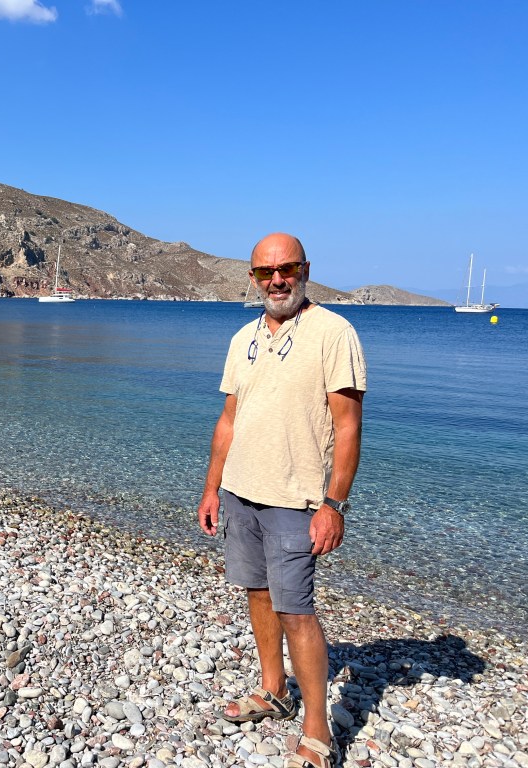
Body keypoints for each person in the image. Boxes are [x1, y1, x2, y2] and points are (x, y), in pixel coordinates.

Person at [197, 233, 366, 768]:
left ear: (304, 270)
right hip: (240, 491)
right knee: (257, 593)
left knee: (295, 609)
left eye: (286, 269)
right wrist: (211, 487)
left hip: (296, 498)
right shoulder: (242, 337)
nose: (276, 280)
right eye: (264, 272)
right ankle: (274, 690)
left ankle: (318, 729)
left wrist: (334, 505)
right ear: (252, 278)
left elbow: (348, 426)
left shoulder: (333, 333)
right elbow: (229, 419)